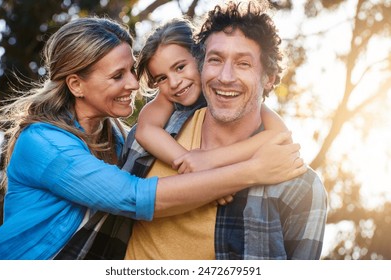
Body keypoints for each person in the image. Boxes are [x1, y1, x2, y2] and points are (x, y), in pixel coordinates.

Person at [0, 16, 305, 260]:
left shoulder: (119, 141)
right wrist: (250, 172)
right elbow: (134, 197)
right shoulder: (44, 144)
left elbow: (274, 129)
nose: (135, 85)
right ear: (76, 85)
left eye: (132, 70)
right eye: (118, 76)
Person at [124, 1, 327, 260]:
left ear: (269, 78)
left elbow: (281, 137)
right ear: (202, 65)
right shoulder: (152, 137)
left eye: (243, 64)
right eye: (216, 60)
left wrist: (208, 161)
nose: (225, 77)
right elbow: (122, 205)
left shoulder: (300, 188)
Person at [134, 17, 290, 176]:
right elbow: (145, 130)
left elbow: (281, 136)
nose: (173, 83)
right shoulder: (167, 98)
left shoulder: (240, 97)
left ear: (200, 58)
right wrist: (193, 166)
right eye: (161, 78)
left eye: (180, 67)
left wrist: (212, 159)